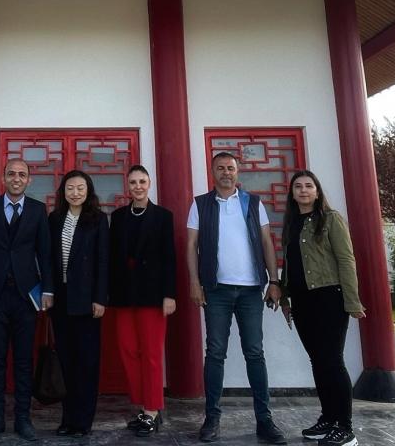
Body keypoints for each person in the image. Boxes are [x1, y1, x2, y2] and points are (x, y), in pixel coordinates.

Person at [186, 151, 287, 445]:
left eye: (230, 168)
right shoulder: (200, 204)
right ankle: (212, 418)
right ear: (213, 172)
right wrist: (194, 282)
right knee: (215, 353)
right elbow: (191, 244)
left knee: (254, 352)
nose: (226, 172)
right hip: (216, 289)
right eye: (220, 168)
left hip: (251, 290)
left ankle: (264, 420)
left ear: (237, 172)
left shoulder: (252, 203)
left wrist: (274, 280)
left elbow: (266, 240)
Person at [0, 158, 54, 442]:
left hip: (26, 295)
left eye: (22, 174)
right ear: (3, 178)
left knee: (23, 359)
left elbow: (45, 253)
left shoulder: (38, 210)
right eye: (11, 174)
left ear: (29, 179)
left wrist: (48, 290)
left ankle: (23, 418)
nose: (16, 178)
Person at [280, 171, 364, 446]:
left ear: (317, 192)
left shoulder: (331, 219)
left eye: (309, 186)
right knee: (317, 361)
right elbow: (289, 265)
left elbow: (346, 260)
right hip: (302, 300)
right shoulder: (291, 224)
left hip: (329, 297)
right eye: (298, 186)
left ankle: (345, 427)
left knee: (332, 361)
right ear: (292, 193)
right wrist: (284, 298)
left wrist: (352, 301)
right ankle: (328, 418)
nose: (303, 190)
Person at [108, 164, 176, 437]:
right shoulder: (118, 217)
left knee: (151, 353)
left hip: (153, 295)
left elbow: (169, 257)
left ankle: (153, 410)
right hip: (124, 294)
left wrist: (169, 294)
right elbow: (113, 257)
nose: (138, 186)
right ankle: (141, 405)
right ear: (128, 185)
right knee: (128, 351)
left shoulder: (163, 216)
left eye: (142, 182)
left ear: (149, 184)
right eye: (133, 182)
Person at [48, 170, 109, 438]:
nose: (75, 193)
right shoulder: (54, 219)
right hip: (61, 299)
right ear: (63, 191)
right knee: (66, 361)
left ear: (88, 191)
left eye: (80, 188)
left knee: (86, 362)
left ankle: (83, 421)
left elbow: (103, 261)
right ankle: (67, 418)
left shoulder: (98, 219)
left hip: (87, 300)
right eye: (70, 188)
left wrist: (100, 298)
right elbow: (48, 258)